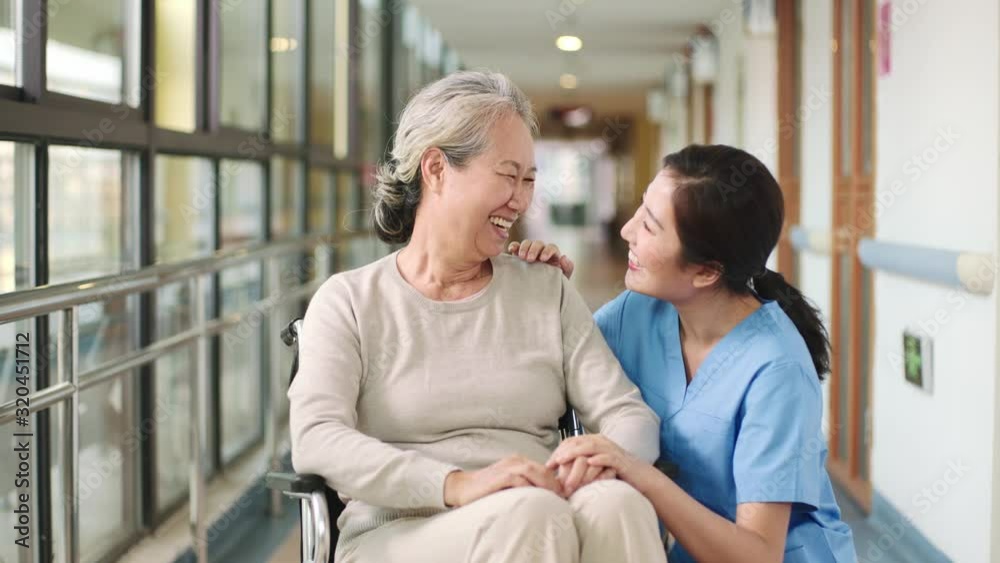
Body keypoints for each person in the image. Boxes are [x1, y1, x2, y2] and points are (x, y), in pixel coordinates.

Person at [287, 71, 668, 563]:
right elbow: (318, 439)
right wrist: (457, 484)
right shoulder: (349, 302)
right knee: (530, 515)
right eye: (508, 176)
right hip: (402, 529)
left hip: (540, 507)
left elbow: (627, 413)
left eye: (529, 180)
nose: (521, 198)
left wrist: (604, 460)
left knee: (616, 504)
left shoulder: (543, 287)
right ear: (436, 169)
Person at [510, 144, 858, 562]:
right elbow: (557, 365)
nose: (627, 230)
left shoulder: (776, 369)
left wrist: (635, 471)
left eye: (650, 227)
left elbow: (758, 554)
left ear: (707, 271)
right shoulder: (637, 312)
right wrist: (545, 293)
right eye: (640, 209)